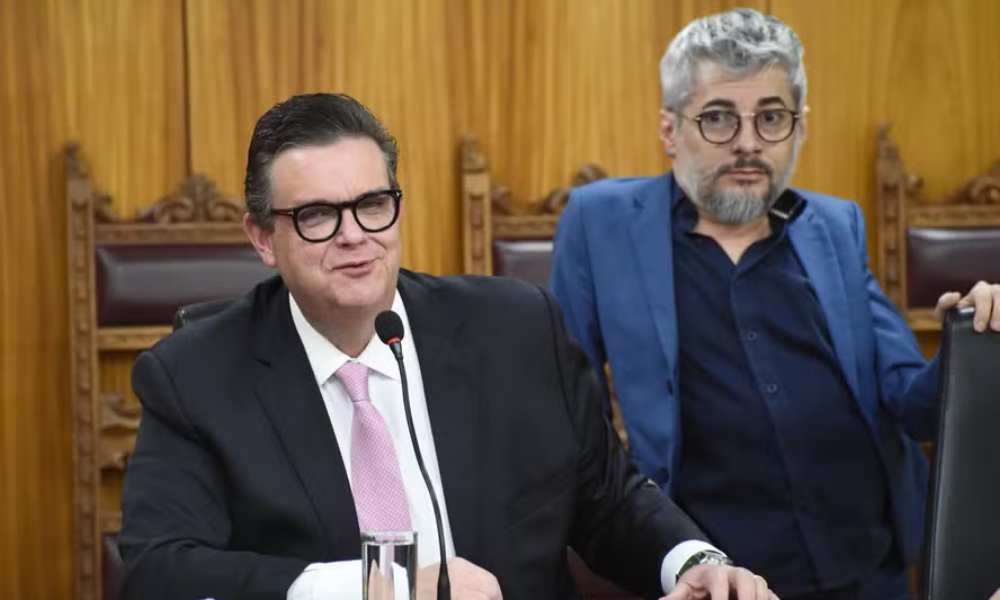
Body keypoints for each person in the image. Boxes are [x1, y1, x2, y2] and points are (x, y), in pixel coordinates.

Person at [118, 92, 777, 600]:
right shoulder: (196, 375)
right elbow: (159, 569)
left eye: (373, 203)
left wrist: (692, 563)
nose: (354, 235)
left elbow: (608, 501)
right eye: (317, 215)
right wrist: (382, 586)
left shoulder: (515, 330)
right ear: (263, 238)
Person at [550, 8, 1000, 600]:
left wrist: (970, 337)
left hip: (867, 566)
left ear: (800, 128)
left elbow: (911, 405)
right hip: (720, 575)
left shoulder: (834, 226)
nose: (747, 143)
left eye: (770, 118)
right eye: (718, 118)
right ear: (669, 131)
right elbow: (563, 405)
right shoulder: (603, 225)